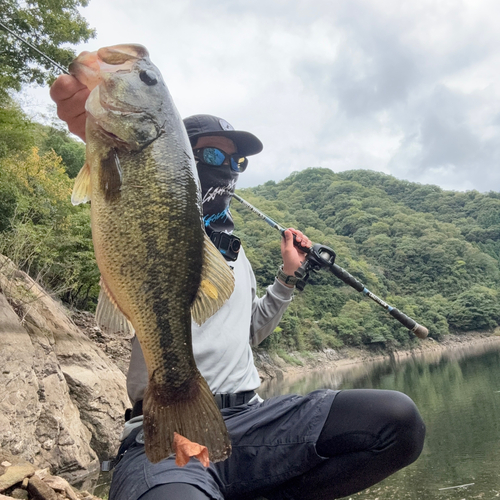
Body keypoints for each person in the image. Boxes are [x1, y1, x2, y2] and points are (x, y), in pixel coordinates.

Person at [50, 74, 426, 500]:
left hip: (253, 419)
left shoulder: (234, 252)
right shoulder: (158, 222)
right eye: (212, 153)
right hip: (167, 428)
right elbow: (125, 186)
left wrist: (286, 278)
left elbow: (246, 333)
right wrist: (104, 136)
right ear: (177, 157)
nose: (228, 168)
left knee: (398, 422)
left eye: (237, 162)